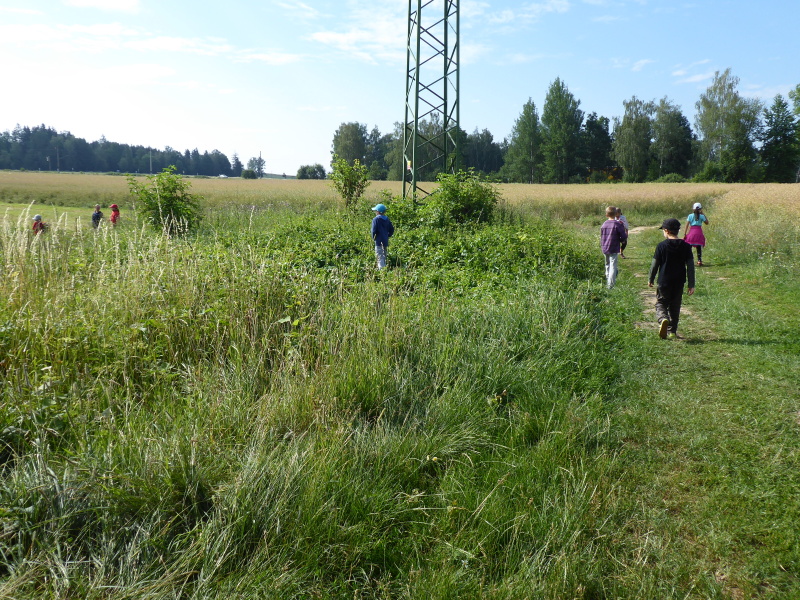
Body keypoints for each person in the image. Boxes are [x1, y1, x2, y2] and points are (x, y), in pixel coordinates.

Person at [649, 218, 696, 340]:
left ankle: (663, 319)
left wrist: (651, 278)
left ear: (666, 231)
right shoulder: (686, 246)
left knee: (661, 303)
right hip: (679, 281)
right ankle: (672, 332)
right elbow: (690, 266)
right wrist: (691, 284)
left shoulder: (661, 246)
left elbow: (655, 264)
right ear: (678, 230)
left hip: (664, 281)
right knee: (675, 306)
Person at [600, 205, 627, 289]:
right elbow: (623, 236)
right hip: (614, 247)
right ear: (616, 214)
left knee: (607, 265)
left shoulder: (604, 224)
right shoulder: (618, 224)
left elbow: (602, 236)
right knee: (613, 266)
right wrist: (622, 240)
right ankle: (610, 285)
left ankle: (608, 281)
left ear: (606, 215)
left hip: (604, 247)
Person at [683, 201, 708, 266]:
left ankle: (688, 260)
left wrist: (685, 234)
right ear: (700, 209)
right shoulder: (702, 216)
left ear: (693, 209)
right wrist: (703, 214)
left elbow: (687, 225)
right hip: (699, 232)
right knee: (698, 246)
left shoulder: (690, 216)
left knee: (689, 246)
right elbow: (707, 223)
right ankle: (699, 260)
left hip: (692, 232)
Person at [371, 203, 394, 269]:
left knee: (379, 256)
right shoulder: (387, 219)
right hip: (385, 240)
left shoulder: (376, 219)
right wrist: (388, 235)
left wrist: (373, 238)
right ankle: (384, 268)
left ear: (378, 212)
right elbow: (392, 229)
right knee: (384, 255)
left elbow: (373, 230)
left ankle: (382, 271)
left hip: (378, 241)